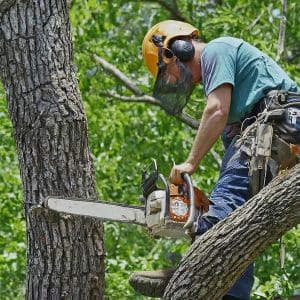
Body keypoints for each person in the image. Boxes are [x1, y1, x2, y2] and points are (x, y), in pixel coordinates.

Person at [133, 20, 300, 299]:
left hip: (279, 121)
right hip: (271, 131)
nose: (174, 81)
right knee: (242, 221)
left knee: (227, 202)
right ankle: (230, 291)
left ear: (177, 49)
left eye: (167, 72)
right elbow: (231, 160)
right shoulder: (232, 98)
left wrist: (189, 164)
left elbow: (215, 111)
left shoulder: (216, 51)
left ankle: (191, 269)